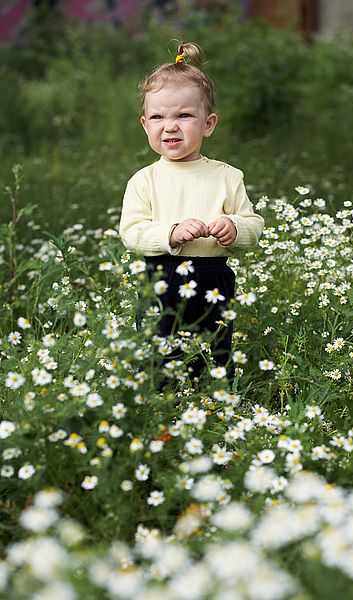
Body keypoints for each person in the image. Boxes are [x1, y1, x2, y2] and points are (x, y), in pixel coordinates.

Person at [119, 41, 264, 380]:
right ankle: (162, 405)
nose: (169, 126)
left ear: (208, 124)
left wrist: (235, 227)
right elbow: (131, 231)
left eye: (183, 115)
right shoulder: (145, 180)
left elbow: (253, 223)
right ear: (145, 125)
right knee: (160, 348)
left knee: (216, 346)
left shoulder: (227, 176)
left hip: (214, 277)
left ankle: (212, 403)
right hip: (161, 276)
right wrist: (169, 233)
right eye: (158, 117)